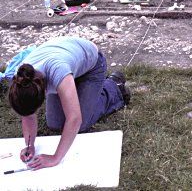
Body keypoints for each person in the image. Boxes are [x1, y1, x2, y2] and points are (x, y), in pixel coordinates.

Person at [7, 36, 130, 170]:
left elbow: (75, 118)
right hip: (67, 62)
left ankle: (114, 87)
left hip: (92, 65)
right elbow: (28, 115)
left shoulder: (57, 71)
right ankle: (75, 91)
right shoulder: (21, 79)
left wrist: (55, 158)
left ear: (42, 93)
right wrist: (29, 145)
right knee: (54, 123)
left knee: (81, 123)